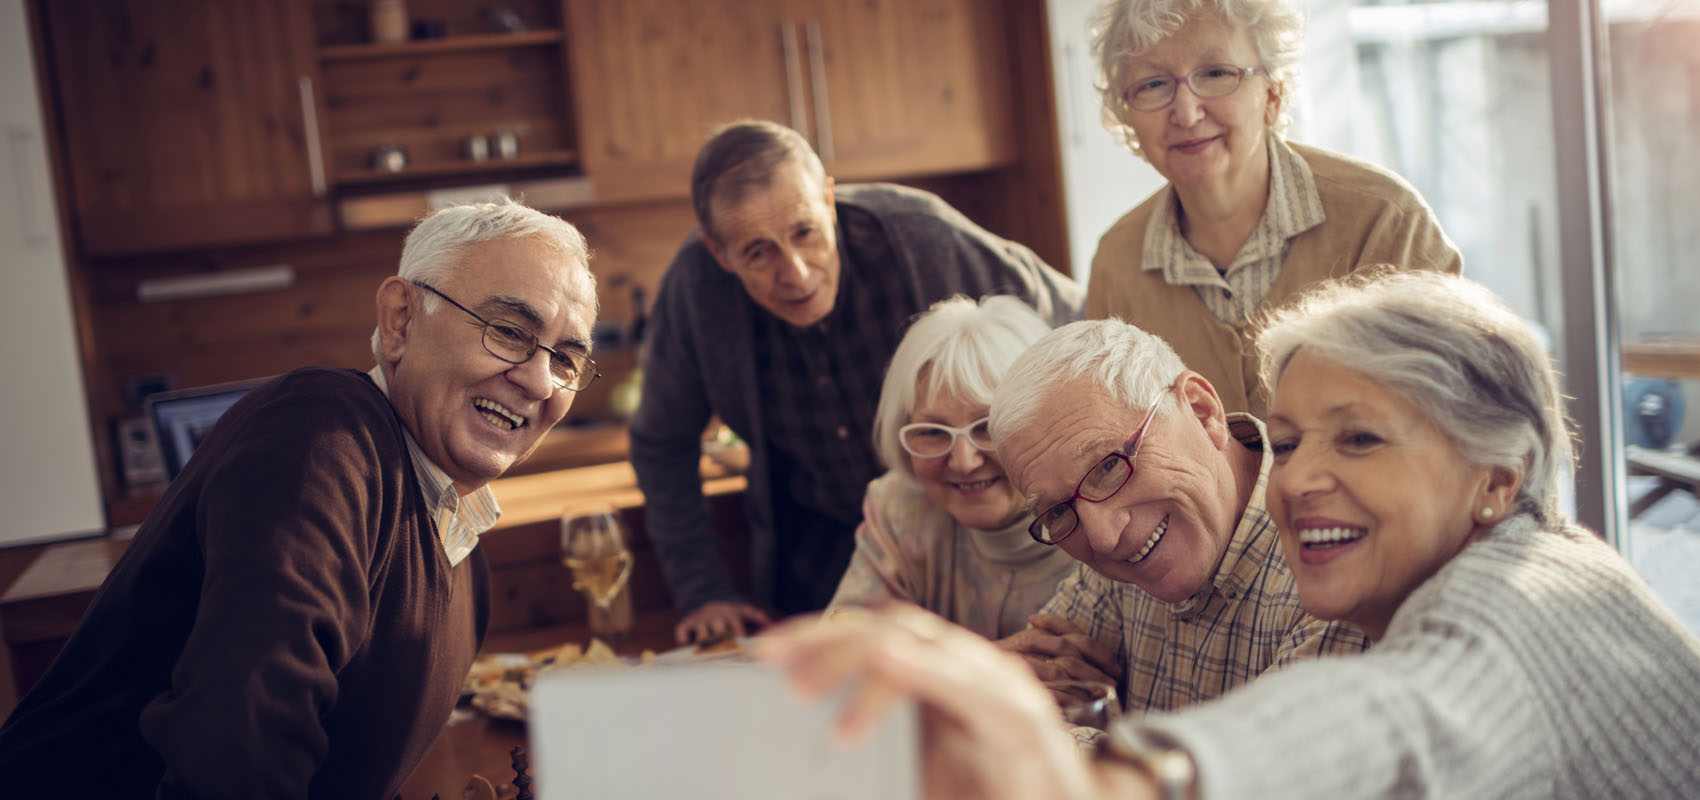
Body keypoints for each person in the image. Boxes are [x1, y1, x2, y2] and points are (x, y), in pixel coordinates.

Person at [757, 271, 1700, 799]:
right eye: (1287, 442)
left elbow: (1386, 718)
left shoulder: (1525, 595)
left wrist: (1126, 779)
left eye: (1362, 438)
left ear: (1496, 477)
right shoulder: (1214, 540)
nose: (1299, 481)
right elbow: (1056, 668)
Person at [0, 200, 600, 799]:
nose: (540, 381)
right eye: (510, 332)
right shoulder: (319, 432)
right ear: (400, 321)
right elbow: (241, 748)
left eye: (567, 358)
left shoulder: (465, 561)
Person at [631, 119, 1083, 644]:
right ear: (719, 253)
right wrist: (702, 589)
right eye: (759, 251)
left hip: (969, 543)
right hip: (819, 562)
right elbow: (661, 442)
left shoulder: (924, 237)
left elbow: (1079, 324)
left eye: (804, 232)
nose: (796, 273)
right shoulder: (695, 291)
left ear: (828, 200)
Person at [1083, 0, 1460, 418]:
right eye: (1153, 84)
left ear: (1273, 92)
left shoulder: (1387, 222)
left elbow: (1448, 426)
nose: (1186, 113)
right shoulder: (1116, 264)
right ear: (1126, 112)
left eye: (1216, 73)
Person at [988, 317, 1367, 711]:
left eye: (1108, 467)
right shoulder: (1119, 544)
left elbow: (1247, 770)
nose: (1103, 538)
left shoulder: (1335, 560)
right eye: (1058, 512)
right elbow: (1013, 697)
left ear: (1203, 413)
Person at [825, 295, 1077, 639]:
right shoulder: (900, 509)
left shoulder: (1101, 523)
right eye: (932, 431)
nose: (963, 461)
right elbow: (838, 632)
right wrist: (988, 666)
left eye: (988, 426)